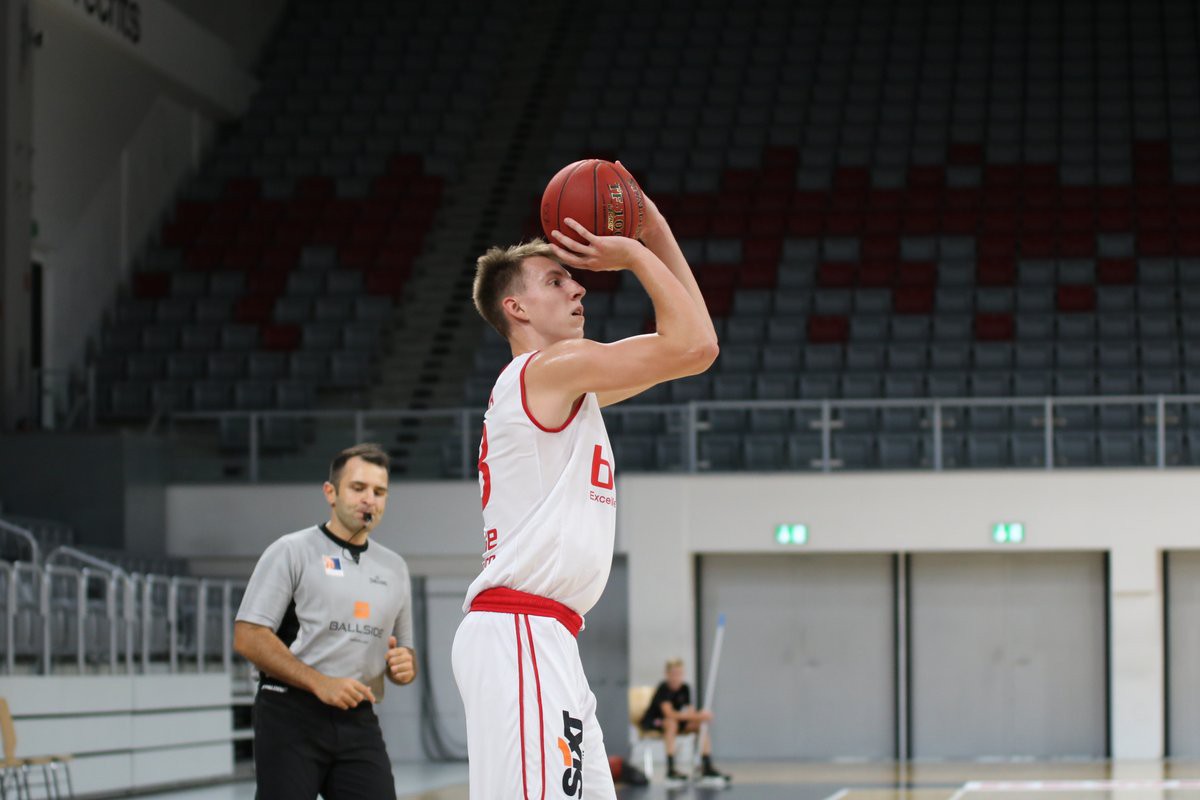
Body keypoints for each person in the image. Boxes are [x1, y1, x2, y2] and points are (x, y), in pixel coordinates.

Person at [452, 168, 719, 799]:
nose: (579, 287)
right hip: (519, 628)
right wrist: (636, 252)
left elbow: (698, 348)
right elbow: (693, 345)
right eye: (555, 281)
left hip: (549, 634)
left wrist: (653, 228)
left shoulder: (567, 386)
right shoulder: (546, 371)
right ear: (515, 308)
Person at [233, 443, 417, 800]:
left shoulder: (395, 567)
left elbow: (405, 655)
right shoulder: (292, 551)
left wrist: (404, 666)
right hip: (290, 712)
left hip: (358, 717)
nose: (369, 499)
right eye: (358, 488)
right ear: (330, 493)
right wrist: (321, 683)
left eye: (379, 492)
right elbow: (248, 636)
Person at [640, 658, 731, 786]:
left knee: (700, 726)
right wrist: (698, 716)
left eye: (679, 673)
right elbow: (669, 714)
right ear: (667, 674)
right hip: (656, 722)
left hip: (677, 723)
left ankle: (707, 766)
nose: (676, 677)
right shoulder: (663, 689)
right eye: (673, 673)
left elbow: (690, 713)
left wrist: (700, 717)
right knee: (671, 723)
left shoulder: (685, 688)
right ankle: (671, 769)